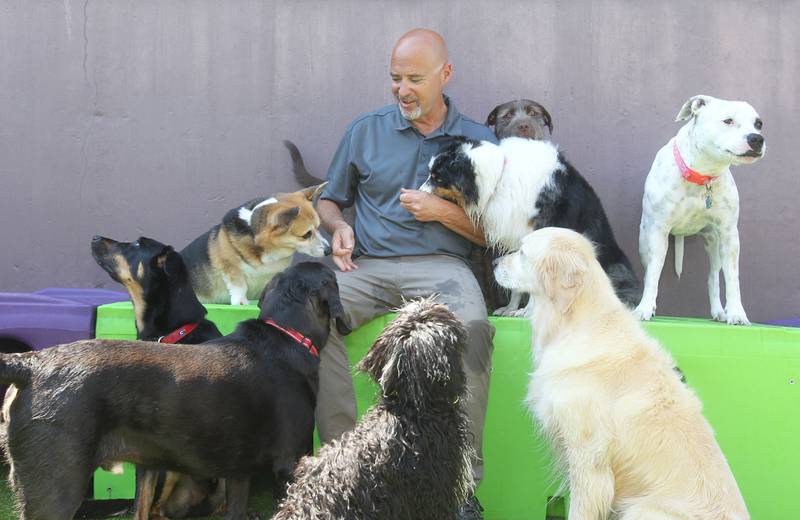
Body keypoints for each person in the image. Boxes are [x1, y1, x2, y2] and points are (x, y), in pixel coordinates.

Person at [316, 28, 496, 519]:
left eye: (415, 78)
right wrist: (338, 227)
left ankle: (460, 485)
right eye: (396, 79)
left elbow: (494, 233)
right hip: (366, 265)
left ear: (445, 75)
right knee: (310, 315)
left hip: (442, 268)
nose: (403, 90)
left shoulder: (478, 141)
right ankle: (344, 467)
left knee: (474, 330)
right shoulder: (366, 130)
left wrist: (443, 212)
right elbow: (330, 197)